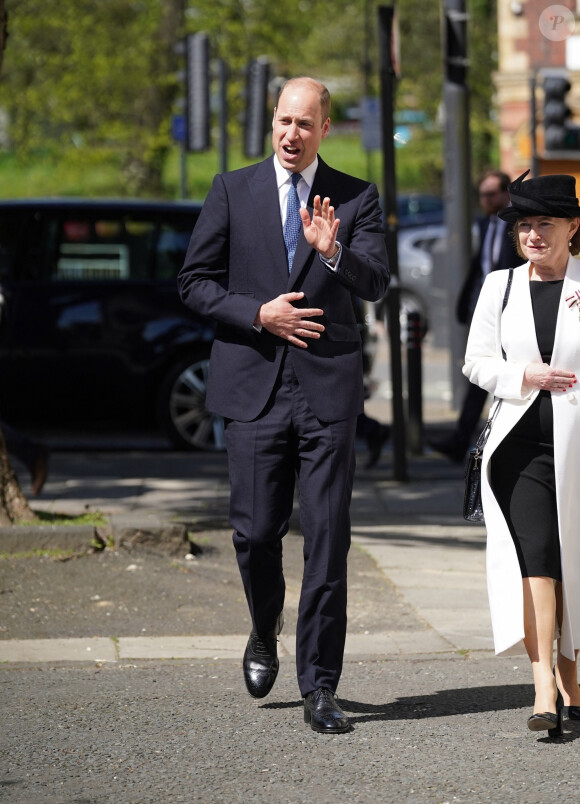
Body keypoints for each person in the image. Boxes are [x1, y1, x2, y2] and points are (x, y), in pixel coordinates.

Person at [178, 77, 389, 733]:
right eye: (282, 122)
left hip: (326, 389)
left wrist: (335, 251)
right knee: (254, 532)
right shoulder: (231, 191)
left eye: (304, 123)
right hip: (254, 386)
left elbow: (377, 281)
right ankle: (264, 623)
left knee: (328, 541)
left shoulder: (357, 197)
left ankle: (320, 687)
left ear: (326, 129)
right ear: (272, 124)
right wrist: (257, 313)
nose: (291, 134)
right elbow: (193, 282)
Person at [463, 170, 580, 737]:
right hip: (520, 451)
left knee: (570, 566)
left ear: (572, 227)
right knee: (536, 565)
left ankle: (571, 676)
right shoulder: (499, 286)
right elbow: (475, 362)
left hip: (577, 450)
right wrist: (522, 375)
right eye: (524, 225)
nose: (533, 234)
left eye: (545, 224)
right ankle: (543, 693)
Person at [429, 170, 525, 462]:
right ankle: (462, 440)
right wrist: (464, 302)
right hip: (486, 310)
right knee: (479, 376)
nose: (484, 200)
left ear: (506, 194)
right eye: (481, 195)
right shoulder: (486, 224)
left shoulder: (518, 224)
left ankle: (494, 441)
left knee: (506, 377)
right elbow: (481, 264)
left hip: (512, 311)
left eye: (490, 194)